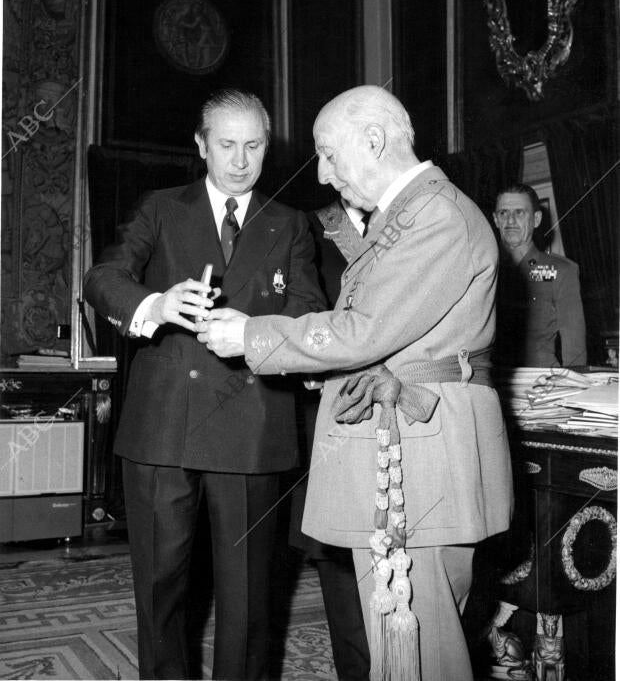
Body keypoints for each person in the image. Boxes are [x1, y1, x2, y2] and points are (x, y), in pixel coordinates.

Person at [197, 85, 514, 681]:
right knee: (404, 643)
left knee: (421, 650)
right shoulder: (405, 216)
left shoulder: (435, 215)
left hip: (422, 459)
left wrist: (255, 337)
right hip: (408, 453)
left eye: (329, 153)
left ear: (373, 140)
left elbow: (365, 330)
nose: (322, 173)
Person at [83, 88, 325, 680]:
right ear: (200, 145)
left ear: (268, 148)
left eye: (253, 146)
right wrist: (158, 304)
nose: (240, 161)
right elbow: (104, 277)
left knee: (248, 602)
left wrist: (255, 332)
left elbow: (311, 311)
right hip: (163, 432)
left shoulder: (291, 224)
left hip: (251, 433)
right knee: (161, 593)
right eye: (225, 145)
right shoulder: (161, 209)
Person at [289, 196, 371, 681]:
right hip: (331, 412)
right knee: (339, 560)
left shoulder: (416, 218)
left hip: (403, 408)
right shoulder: (310, 227)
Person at [493, 184, 587, 367]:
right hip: (493, 387)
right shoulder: (484, 270)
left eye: (520, 212)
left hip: (541, 385)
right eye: (503, 213)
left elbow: (575, 351)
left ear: (536, 219)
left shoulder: (559, 271)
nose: (510, 220)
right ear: (495, 220)